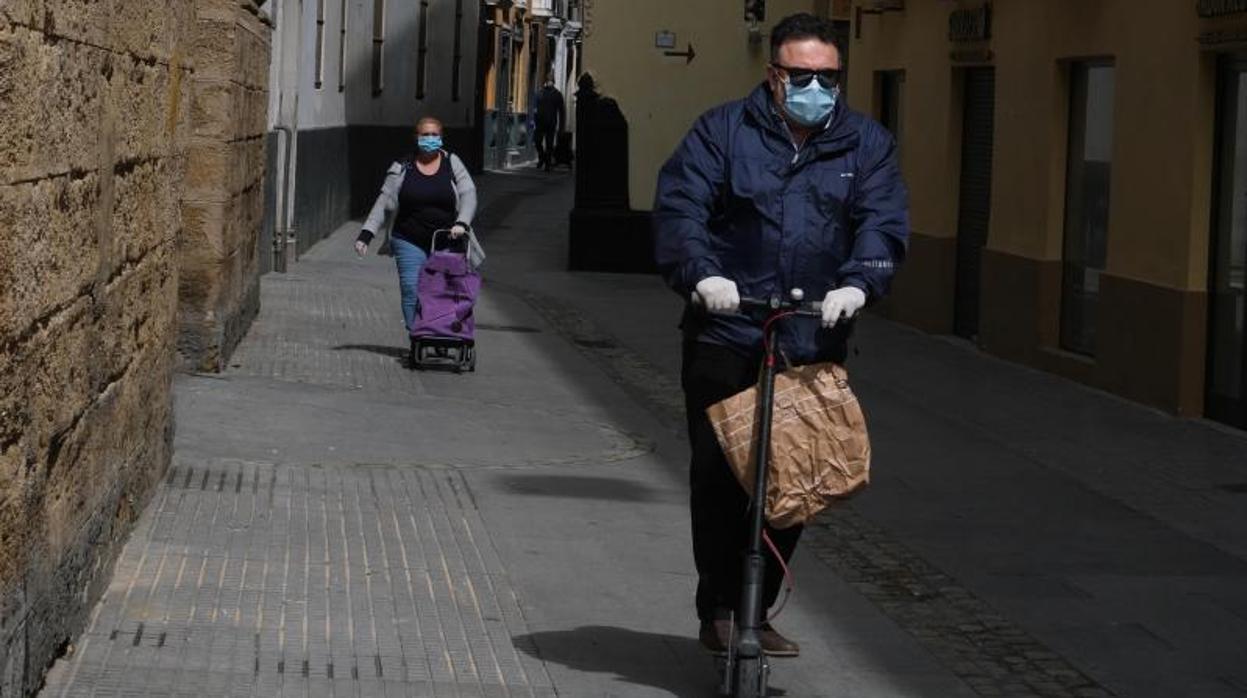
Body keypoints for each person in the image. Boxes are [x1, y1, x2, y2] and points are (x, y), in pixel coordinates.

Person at [652, 13, 909, 657]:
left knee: (794, 478)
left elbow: (881, 219)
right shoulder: (722, 132)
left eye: (828, 77)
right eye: (802, 76)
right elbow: (682, 208)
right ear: (774, 77)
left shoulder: (865, 144)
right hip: (726, 329)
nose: (816, 88)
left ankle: (755, 609)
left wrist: (862, 280)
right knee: (718, 477)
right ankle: (717, 607)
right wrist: (703, 274)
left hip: (809, 334)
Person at [355, 117, 478, 342]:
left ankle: (442, 332)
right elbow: (384, 201)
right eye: (425, 134)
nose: (429, 139)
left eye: (434, 135)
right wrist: (366, 234)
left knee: (442, 292)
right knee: (411, 288)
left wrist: (462, 222)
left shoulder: (452, 163)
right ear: (416, 137)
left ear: (441, 138)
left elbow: (468, 194)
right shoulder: (403, 166)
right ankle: (418, 334)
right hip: (408, 238)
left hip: (447, 239)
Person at [533, 78, 565, 172]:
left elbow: (561, 111)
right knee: (537, 141)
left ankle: (547, 163)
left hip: (551, 122)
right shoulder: (540, 92)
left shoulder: (557, 94)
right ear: (546, 82)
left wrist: (561, 126)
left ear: (553, 83)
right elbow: (535, 108)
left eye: (551, 81)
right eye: (548, 81)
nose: (549, 83)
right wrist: (533, 121)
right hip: (540, 122)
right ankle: (542, 157)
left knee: (549, 144)